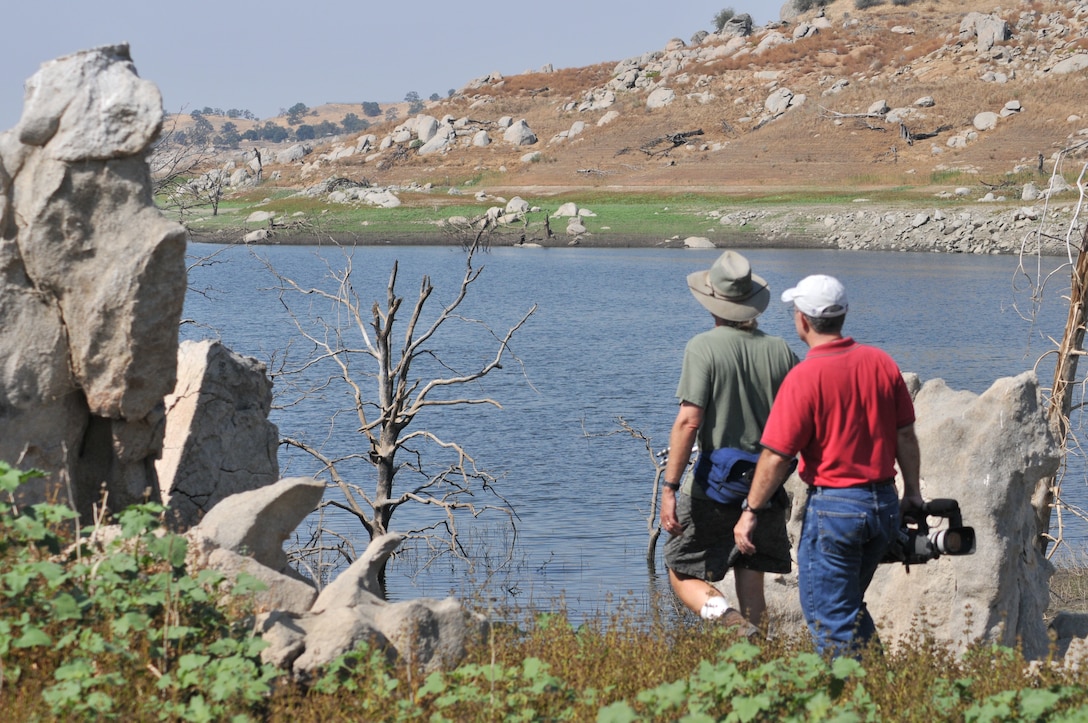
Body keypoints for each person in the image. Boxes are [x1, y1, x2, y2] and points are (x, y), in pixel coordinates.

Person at [733, 274, 924, 658]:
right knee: (847, 608)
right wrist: (913, 493)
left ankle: (852, 705)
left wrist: (750, 510)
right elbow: (905, 435)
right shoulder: (881, 363)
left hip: (836, 510)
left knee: (829, 617)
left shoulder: (804, 376)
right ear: (844, 314)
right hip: (883, 504)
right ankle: (885, 696)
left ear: (802, 320)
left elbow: (776, 455)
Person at [661, 251, 798, 632]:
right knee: (751, 579)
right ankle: (756, 666)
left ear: (713, 303)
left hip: (712, 489)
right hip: (767, 488)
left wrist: (669, 488)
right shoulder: (781, 351)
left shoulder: (703, 347)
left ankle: (729, 623)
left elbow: (688, 422)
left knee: (679, 569)